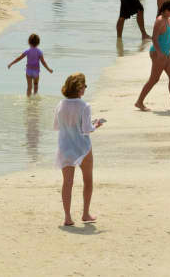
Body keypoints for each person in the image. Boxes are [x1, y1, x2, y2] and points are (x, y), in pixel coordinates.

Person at [55, 73, 104, 227]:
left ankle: (68, 217)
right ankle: (85, 213)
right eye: (84, 86)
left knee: (67, 183)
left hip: (65, 147)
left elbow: (56, 126)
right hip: (83, 147)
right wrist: (96, 125)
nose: (85, 89)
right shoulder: (84, 106)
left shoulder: (60, 105)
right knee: (87, 180)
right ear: (79, 88)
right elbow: (86, 130)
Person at [135, 0, 170, 111]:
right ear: (166, 10)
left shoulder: (167, 19)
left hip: (166, 52)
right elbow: (154, 38)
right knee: (154, 79)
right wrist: (160, 53)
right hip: (158, 53)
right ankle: (139, 102)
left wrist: (169, 46)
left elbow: (167, 36)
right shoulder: (160, 20)